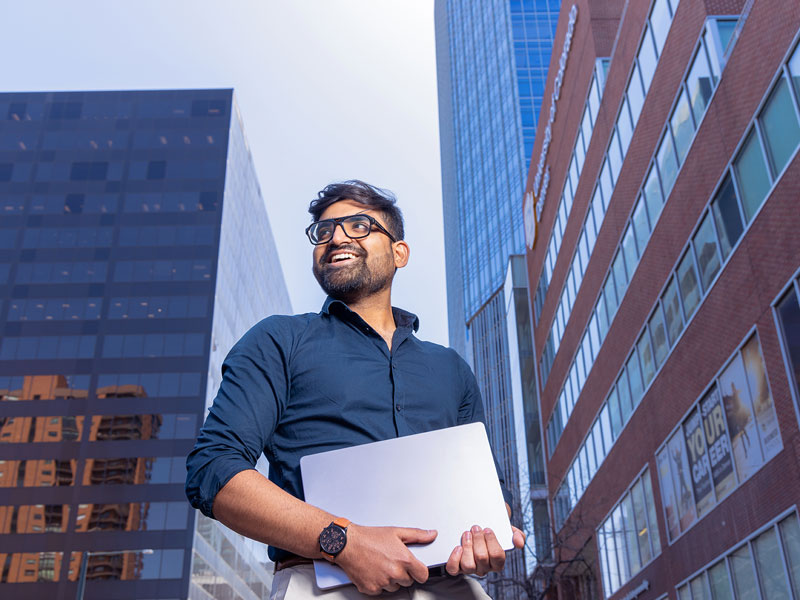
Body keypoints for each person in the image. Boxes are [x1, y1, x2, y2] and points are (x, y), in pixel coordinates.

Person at [186, 180, 525, 599]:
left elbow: (492, 490)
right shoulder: (278, 340)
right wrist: (342, 542)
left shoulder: (451, 368)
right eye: (324, 232)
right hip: (322, 584)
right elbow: (213, 470)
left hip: (451, 587)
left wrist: (489, 532)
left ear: (399, 252)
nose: (337, 238)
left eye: (359, 225)